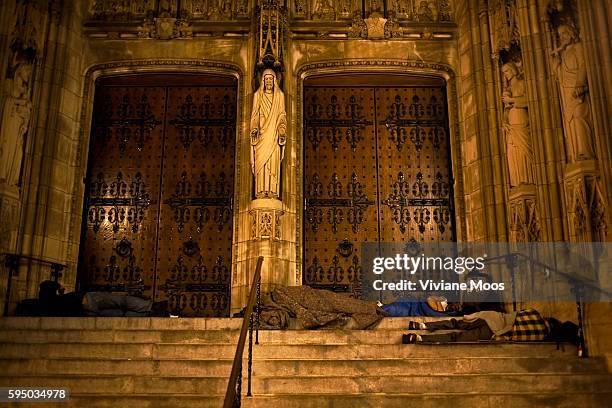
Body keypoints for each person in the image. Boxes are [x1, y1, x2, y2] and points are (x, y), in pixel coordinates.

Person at [551, 24, 595, 161]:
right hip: (566, 93)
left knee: (579, 117)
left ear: (571, 33)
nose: (562, 37)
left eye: (564, 33)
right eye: (559, 36)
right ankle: (576, 154)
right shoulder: (563, 55)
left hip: (577, 91)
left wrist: (580, 83)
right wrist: (555, 57)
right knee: (570, 122)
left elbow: (583, 65)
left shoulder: (578, 47)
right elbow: (557, 75)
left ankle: (587, 152)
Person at [403, 308, 549, 343]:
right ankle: (418, 338)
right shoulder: (541, 334)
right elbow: (513, 337)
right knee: (457, 337)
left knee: (456, 323)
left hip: (492, 317)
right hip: (495, 330)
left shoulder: (534, 312)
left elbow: (515, 312)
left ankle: (421, 325)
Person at [250, 69, 287, 199]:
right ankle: (260, 191)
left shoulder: (280, 96)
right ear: (263, 81)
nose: (269, 81)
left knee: (272, 163)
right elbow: (254, 115)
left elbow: (282, 115)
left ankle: (272, 191)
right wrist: (254, 129)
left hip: (274, 135)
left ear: (275, 80)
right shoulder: (257, 96)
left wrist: (282, 130)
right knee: (262, 165)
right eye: (266, 79)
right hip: (261, 135)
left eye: (271, 79)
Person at [501, 62, 535, 187]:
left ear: (513, 70)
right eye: (503, 72)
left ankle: (528, 180)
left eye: (507, 71)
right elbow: (506, 109)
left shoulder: (522, 84)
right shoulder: (508, 89)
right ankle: (517, 181)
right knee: (512, 150)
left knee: (522, 150)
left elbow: (529, 100)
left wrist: (512, 100)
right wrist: (504, 121)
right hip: (511, 122)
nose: (505, 75)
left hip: (521, 118)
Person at [0, 62, 33, 186]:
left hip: (18, 125)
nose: (28, 75)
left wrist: (25, 119)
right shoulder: (9, 84)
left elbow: (27, 112)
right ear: (19, 70)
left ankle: (11, 179)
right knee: (6, 147)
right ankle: (4, 176)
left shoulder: (25, 91)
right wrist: (21, 102)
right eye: (27, 71)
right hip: (9, 120)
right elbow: (6, 101)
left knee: (17, 152)